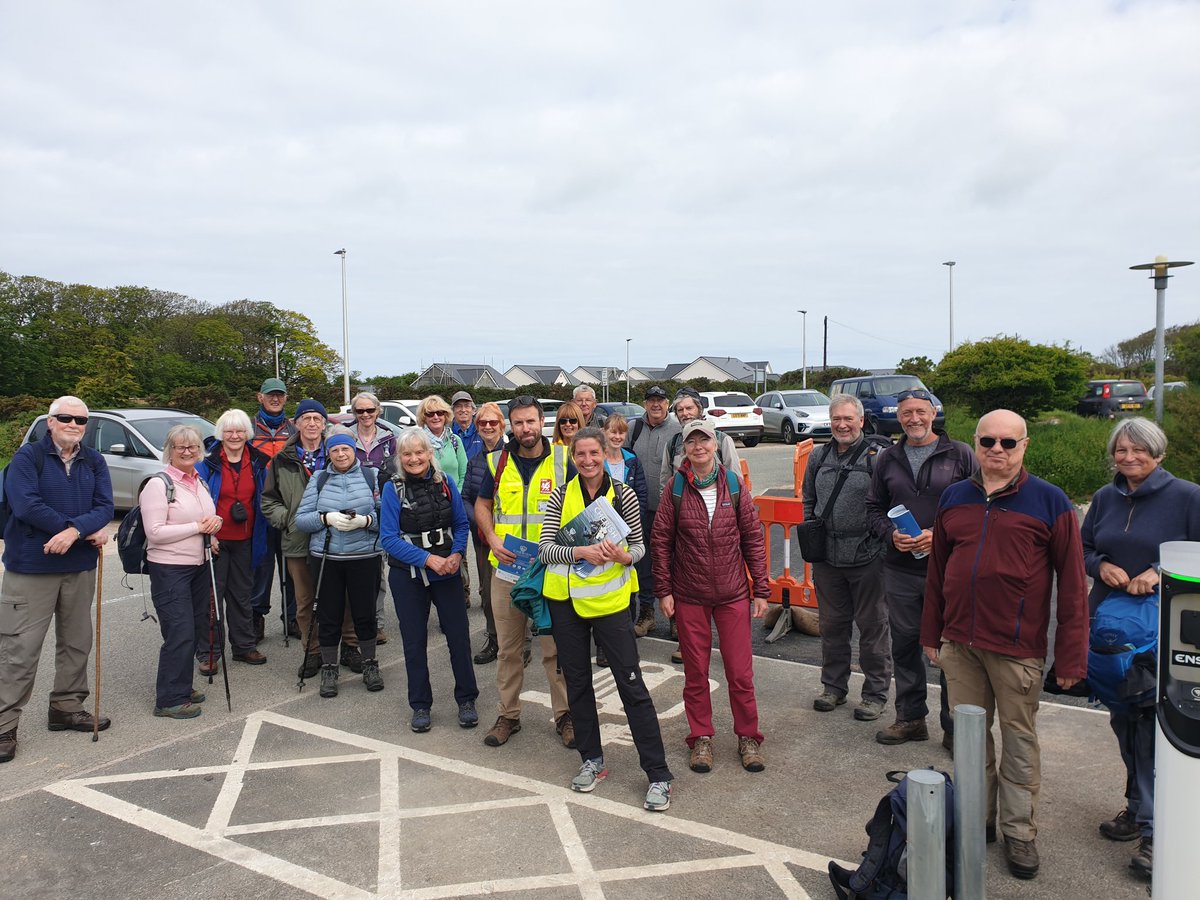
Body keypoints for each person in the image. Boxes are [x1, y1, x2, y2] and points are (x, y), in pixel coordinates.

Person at [921, 409, 1089, 881]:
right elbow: (938, 572)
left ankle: (1019, 832)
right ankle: (981, 822)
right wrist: (931, 635)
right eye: (988, 441)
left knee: (1018, 743)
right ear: (975, 443)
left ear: (1024, 446)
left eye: (1008, 443)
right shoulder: (955, 496)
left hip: (1017, 650)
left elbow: (1073, 585)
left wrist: (1072, 658)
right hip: (960, 645)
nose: (997, 450)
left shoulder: (1050, 501)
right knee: (971, 744)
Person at [1081, 417, 1200, 878]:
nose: (1129, 458)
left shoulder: (1188, 496)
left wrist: (1158, 570)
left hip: (1162, 632)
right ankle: (1136, 808)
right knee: (1124, 723)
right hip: (1111, 631)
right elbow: (1085, 545)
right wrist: (1102, 564)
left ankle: (1157, 832)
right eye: (1121, 450)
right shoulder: (1107, 497)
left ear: (1159, 453)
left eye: (1139, 451)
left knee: (1156, 729)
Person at [539, 427, 674, 811]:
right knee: (578, 683)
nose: (587, 461)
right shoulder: (561, 495)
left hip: (611, 604)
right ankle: (592, 760)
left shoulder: (624, 494)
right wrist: (580, 551)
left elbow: (639, 548)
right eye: (580, 455)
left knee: (632, 686)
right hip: (567, 603)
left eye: (593, 453)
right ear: (573, 458)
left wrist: (622, 557)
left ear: (604, 453)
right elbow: (546, 549)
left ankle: (659, 775)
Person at [651, 419, 770, 775]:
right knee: (695, 673)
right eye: (692, 441)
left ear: (716, 445)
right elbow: (661, 544)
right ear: (684, 449)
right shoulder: (674, 488)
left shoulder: (734, 485)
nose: (698, 446)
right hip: (690, 594)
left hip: (733, 593)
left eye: (705, 440)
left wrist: (760, 589)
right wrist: (664, 591)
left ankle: (748, 737)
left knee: (740, 673)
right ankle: (700, 738)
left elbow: (752, 538)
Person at [0, 396, 113, 762]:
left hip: (78, 567)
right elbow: (25, 504)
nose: (74, 425)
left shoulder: (94, 460)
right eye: (65, 418)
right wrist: (73, 530)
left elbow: (105, 507)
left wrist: (75, 532)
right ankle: (3, 726)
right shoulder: (27, 458)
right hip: (32, 568)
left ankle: (65, 707)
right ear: (50, 421)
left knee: (76, 642)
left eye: (81, 420)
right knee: (20, 649)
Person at [866, 388, 976, 748]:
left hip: (949, 569)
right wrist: (890, 534)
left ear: (933, 413)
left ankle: (954, 727)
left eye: (920, 411)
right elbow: (873, 509)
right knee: (905, 645)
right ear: (898, 417)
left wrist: (939, 536)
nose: (913, 419)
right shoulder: (888, 458)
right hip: (899, 568)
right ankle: (911, 718)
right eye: (906, 413)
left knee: (951, 649)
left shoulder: (959, 454)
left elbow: (979, 509)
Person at [474, 395, 574, 749]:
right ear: (509, 425)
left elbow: (583, 506)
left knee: (555, 650)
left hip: (551, 570)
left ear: (541, 422)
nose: (525, 429)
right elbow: (482, 505)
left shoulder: (564, 460)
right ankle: (508, 714)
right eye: (518, 423)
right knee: (508, 649)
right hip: (507, 570)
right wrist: (490, 535)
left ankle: (565, 715)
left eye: (531, 421)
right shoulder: (495, 461)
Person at [380, 428, 479, 731]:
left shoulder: (446, 482)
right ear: (400, 457)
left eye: (419, 452)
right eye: (407, 454)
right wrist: (428, 560)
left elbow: (461, 524)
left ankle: (466, 699)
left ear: (429, 453)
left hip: (447, 571)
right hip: (408, 575)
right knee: (414, 642)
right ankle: (420, 705)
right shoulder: (392, 488)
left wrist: (457, 554)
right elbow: (388, 538)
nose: (414, 459)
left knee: (459, 638)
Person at [802, 395, 892, 723]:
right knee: (833, 626)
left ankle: (875, 694)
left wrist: (881, 546)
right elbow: (808, 498)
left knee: (872, 627)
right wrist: (812, 532)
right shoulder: (818, 456)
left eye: (848, 419)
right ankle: (833, 687)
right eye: (836, 418)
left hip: (868, 556)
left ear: (861, 421)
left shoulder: (879, 458)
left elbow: (888, 503)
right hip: (827, 557)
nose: (842, 424)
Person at [261, 400, 362, 680]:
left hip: (336, 538)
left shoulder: (336, 454)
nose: (312, 423)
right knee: (305, 601)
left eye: (318, 418)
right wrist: (289, 522)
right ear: (296, 422)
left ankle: (350, 646)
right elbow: (269, 500)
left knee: (343, 596)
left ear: (324, 424)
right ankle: (313, 650)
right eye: (306, 418)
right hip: (297, 541)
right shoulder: (282, 459)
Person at [142, 425, 222, 719]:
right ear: (170, 451)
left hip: (199, 565)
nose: (188, 452)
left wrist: (213, 530)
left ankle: (182, 686)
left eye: (193, 447)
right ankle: (169, 699)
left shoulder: (197, 481)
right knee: (179, 631)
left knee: (195, 628)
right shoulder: (158, 484)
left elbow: (205, 518)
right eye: (180, 447)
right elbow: (155, 532)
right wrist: (198, 528)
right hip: (169, 568)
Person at [295, 432, 382, 698]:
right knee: (329, 615)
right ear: (328, 453)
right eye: (335, 450)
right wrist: (325, 518)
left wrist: (365, 521)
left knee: (365, 614)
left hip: (364, 556)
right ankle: (329, 668)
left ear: (354, 450)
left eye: (345, 449)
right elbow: (301, 520)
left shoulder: (372, 476)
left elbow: (387, 517)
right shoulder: (319, 479)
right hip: (326, 558)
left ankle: (369, 664)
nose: (341, 454)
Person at [658, 387, 741, 662]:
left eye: (689, 409)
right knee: (684, 585)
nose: (684, 413)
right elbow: (664, 482)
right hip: (685, 529)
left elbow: (736, 479)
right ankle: (684, 640)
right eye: (680, 410)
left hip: (720, 531)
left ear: (700, 411)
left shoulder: (723, 440)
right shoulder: (673, 444)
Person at [194, 409, 270, 672]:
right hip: (215, 539)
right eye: (229, 431)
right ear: (220, 433)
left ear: (247, 433)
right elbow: (196, 500)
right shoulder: (207, 461)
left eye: (239, 431)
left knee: (242, 595)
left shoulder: (259, 461)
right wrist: (208, 533)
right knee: (212, 598)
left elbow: (263, 499)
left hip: (246, 538)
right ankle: (209, 653)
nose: (235, 435)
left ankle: (244, 646)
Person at [624, 385, 679, 638]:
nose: (655, 405)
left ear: (667, 403)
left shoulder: (678, 429)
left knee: (672, 565)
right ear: (644, 403)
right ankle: (647, 614)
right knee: (643, 565)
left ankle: (676, 618)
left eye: (660, 400)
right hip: (638, 512)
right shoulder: (633, 428)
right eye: (651, 400)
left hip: (670, 511)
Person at [248, 378, 298, 642]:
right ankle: (256, 616)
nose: (275, 399)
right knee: (261, 567)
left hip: (289, 507)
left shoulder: (294, 429)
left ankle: (292, 618)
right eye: (270, 395)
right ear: (260, 397)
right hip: (259, 510)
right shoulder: (248, 429)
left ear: (286, 398)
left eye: (280, 395)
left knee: (291, 566)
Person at [461, 402, 509, 665]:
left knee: (516, 592)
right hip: (484, 540)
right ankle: (494, 640)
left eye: (493, 422)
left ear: (502, 425)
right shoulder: (475, 461)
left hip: (512, 538)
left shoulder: (513, 456)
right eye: (482, 423)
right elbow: (466, 498)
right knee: (489, 593)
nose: (488, 427)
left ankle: (517, 643)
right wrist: (482, 523)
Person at [348, 390, 397, 644]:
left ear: (378, 411)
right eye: (360, 411)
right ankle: (353, 624)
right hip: (351, 509)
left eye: (370, 410)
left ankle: (376, 623)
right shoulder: (343, 436)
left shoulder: (390, 439)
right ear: (354, 413)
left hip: (382, 510)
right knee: (352, 569)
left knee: (377, 570)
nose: (365, 415)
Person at [417, 395, 468, 489]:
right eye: (430, 414)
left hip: (454, 498)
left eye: (440, 413)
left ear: (445, 415)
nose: (436, 417)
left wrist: (457, 496)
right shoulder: (417, 442)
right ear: (424, 417)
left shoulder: (455, 440)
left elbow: (464, 474)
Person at [450, 390, 484, 460]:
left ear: (473, 410)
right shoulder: (447, 433)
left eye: (467, 406)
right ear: (453, 411)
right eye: (458, 406)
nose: (463, 410)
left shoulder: (482, 430)